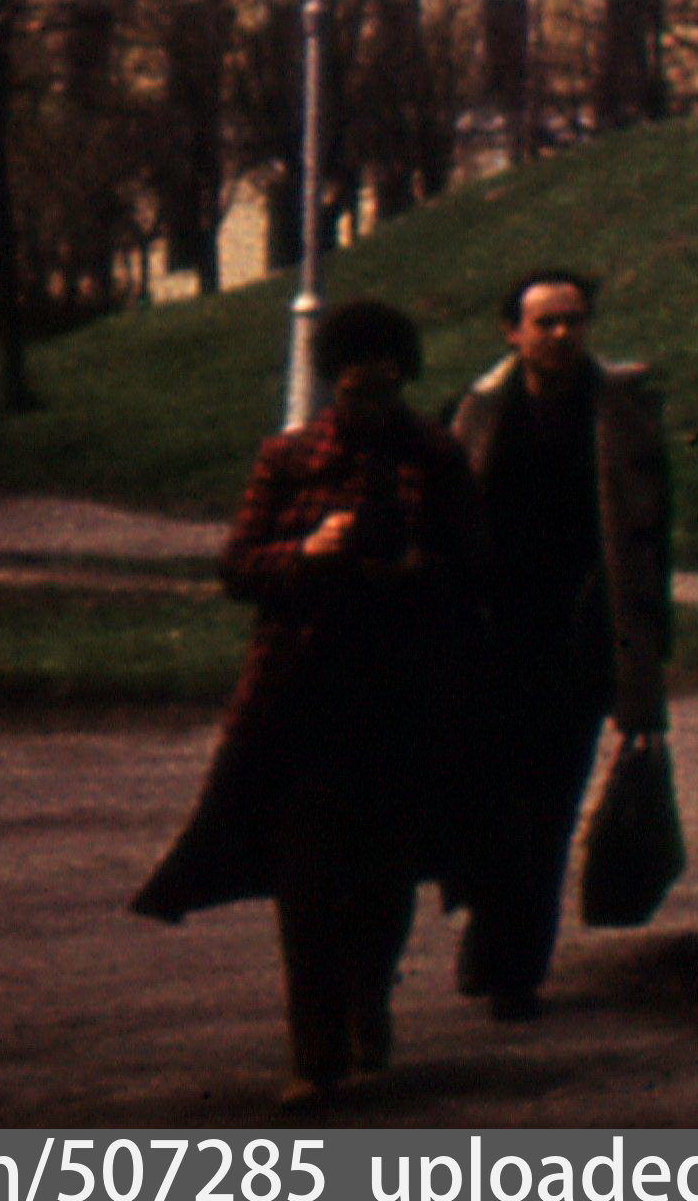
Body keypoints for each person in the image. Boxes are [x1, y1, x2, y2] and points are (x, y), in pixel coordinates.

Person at [131, 296, 485, 1106]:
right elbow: (236, 567)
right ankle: (314, 1051)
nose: (369, 406)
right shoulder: (288, 457)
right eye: (355, 390)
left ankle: (370, 997)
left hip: (400, 694)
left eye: (386, 388)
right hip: (301, 695)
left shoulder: (434, 455)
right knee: (307, 877)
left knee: (387, 874)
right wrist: (307, 551)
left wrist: (414, 568)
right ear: (333, 384)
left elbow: (474, 563)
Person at [443, 267, 671, 1021]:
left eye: (573, 320)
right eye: (545, 322)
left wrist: (643, 650)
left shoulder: (621, 411)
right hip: (487, 641)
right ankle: (492, 925)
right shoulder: (474, 413)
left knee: (548, 810)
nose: (562, 334)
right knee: (487, 803)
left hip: (576, 643)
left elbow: (649, 537)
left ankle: (515, 967)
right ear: (513, 332)